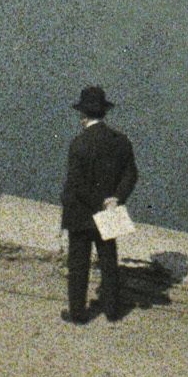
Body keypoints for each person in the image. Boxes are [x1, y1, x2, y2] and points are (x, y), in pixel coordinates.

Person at [59, 85, 138, 325]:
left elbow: (77, 185)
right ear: (104, 113)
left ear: (83, 116)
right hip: (109, 213)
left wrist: (97, 203)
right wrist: (115, 199)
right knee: (108, 260)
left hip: (81, 214)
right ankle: (113, 310)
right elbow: (131, 174)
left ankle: (78, 313)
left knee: (79, 264)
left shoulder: (79, 144)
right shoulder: (120, 141)